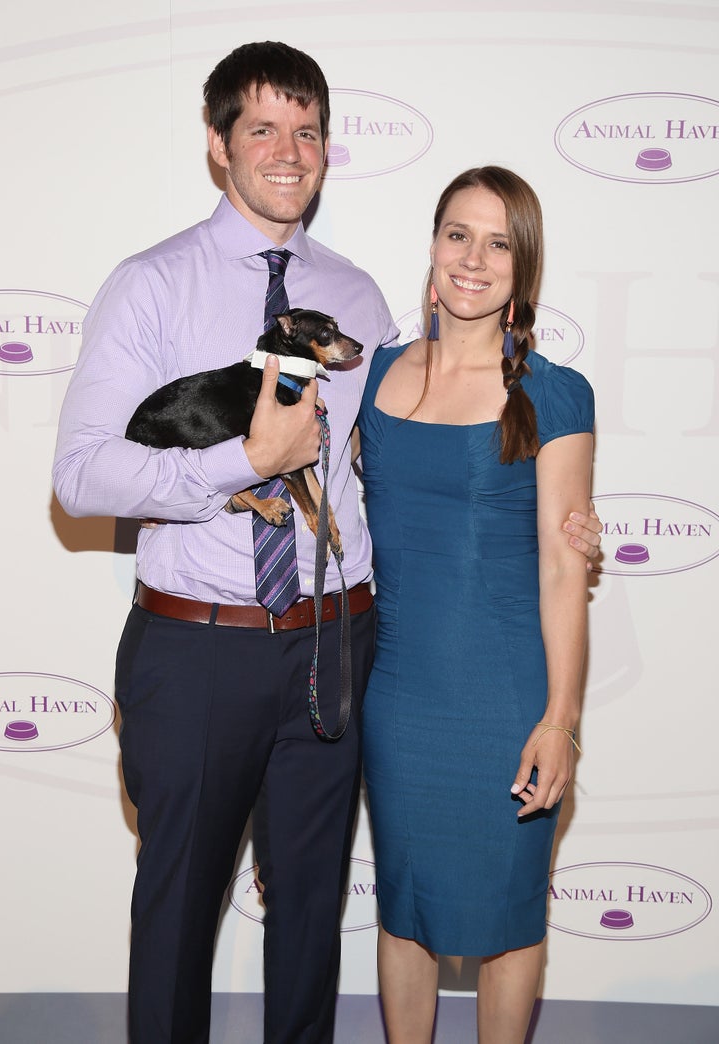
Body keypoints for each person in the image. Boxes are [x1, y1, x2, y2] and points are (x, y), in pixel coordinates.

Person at [52, 41, 601, 1044]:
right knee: (176, 917)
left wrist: (556, 517)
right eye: (261, 127)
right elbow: (81, 479)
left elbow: (394, 479)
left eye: (307, 130)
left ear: (328, 149)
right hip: (197, 646)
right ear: (219, 146)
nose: (288, 151)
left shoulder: (359, 308)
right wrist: (238, 461)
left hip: (336, 646)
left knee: (309, 922)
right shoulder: (150, 285)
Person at [357, 166, 594, 1044]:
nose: (474, 258)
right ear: (432, 244)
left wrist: (559, 721)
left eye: (500, 243)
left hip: (506, 698)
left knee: (507, 916)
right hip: (400, 695)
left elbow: (566, 572)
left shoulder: (555, 394)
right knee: (404, 909)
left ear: (523, 268)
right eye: (459, 233)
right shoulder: (374, 379)